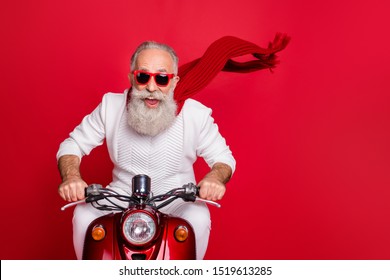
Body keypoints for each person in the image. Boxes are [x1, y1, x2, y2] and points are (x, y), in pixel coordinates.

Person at [57, 41, 236, 260]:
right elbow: (72, 144)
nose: (152, 87)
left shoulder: (196, 114)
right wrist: (72, 177)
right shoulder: (110, 106)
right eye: (143, 77)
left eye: (161, 79)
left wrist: (214, 178)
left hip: (178, 200)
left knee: (198, 217)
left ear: (174, 81)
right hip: (119, 197)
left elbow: (223, 158)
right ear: (132, 77)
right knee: (84, 214)